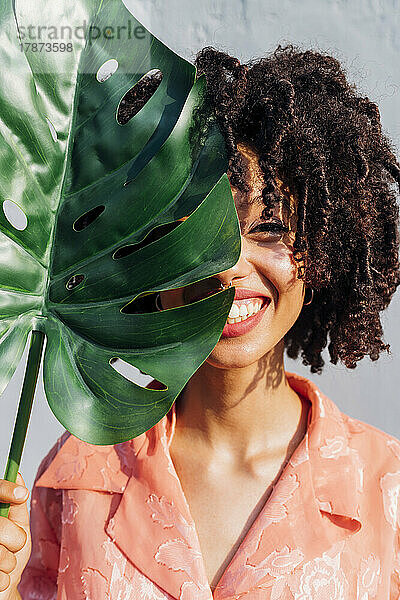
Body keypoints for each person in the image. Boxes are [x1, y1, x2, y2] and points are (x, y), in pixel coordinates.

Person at [1, 44, 400, 600]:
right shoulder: (74, 477)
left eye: (270, 229)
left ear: (327, 246)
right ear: (139, 244)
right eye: (193, 230)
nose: (228, 267)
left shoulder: (386, 490)